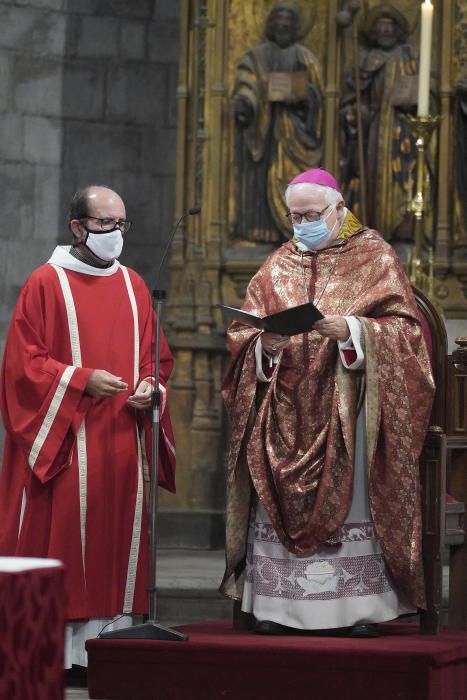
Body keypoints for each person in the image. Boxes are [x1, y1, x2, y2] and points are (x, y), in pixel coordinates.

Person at [220, 168, 435, 636]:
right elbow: (243, 332)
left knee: (353, 486)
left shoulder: (374, 256)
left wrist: (356, 333)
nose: (302, 224)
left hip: (349, 408)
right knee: (271, 476)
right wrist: (263, 348)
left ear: (339, 209)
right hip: (285, 408)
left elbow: (409, 334)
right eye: (295, 216)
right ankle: (278, 607)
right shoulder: (277, 263)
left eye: (312, 214)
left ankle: (361, 608)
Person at [0, 185, 176, 668]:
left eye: (122, 225)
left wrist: (150, 388)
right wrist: (80, 380)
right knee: (64, 539)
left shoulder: (134, 285)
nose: (115, 235)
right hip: (66, 440)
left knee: (114, 542)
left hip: (121, 438)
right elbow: (21, 366)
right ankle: (61, 655)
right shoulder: (45, 282)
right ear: (78, 228)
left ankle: (111, 650)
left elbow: (156, 359)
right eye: (105, 225)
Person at [340, 4, 431, 241]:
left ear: (398, 28)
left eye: (389, 25)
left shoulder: (410, 56)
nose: (385, 29)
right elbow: (352, 95)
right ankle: (373, 230)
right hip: (375, 130)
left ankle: (403, 230)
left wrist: (416, 100)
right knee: (371, 178)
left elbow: (428, 89)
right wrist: (356, 112)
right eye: (380, 25)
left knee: (406, 180)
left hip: (405, 130)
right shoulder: (369, 60)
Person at [233, 2, 323, 243]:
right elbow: (247, 84)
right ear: (270, 24)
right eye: (279, 19)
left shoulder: (307, 59)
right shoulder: (257, 57)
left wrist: (304, 97)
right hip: (266, 135)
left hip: (297, 136)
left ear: (296, 26)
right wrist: (247, 102)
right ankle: (263, 234)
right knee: (262, 181)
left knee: (299, 184)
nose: (283, 24)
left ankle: (304, 236)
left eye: (289, 20)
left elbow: (321, 99)